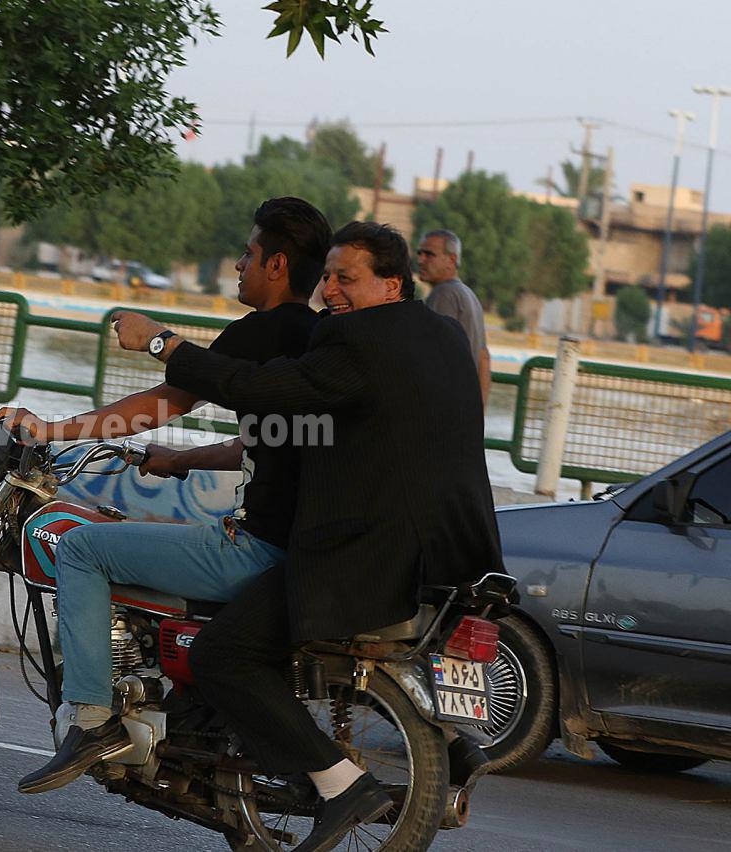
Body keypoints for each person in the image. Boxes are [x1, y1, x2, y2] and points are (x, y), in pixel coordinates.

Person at [112, 221, 504, 851]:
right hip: (454, 552)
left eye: (346, 278)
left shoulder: (356, 341)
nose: (330, 290)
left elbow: (257, 389)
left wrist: (161, 342)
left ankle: (340, 783)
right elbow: (296, 428)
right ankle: (455, 744)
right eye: (326, 276)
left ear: (392, 284)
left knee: (223, 654)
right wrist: (185, 459)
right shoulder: (442, 335)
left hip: (369, 554)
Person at [0, 197, 332, 795]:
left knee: (81, 549)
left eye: (248, 253)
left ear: (277, 265)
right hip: (301, 548)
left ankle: (92, 721)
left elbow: (160, 405)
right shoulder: (314, 337)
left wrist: (48, 430)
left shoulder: (264, 330)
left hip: (255, 548)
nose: (239, 265)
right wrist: (181, 461)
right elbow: (267, 442)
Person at [416, 229, 491, 404]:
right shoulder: (469, 295)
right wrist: (477, 412)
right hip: (462, 407)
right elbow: (484, 358)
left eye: (429, 254)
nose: (420, 260)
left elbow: (434, 356)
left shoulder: (444, 294)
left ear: (451, 259)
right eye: (420, 253)